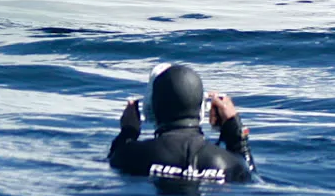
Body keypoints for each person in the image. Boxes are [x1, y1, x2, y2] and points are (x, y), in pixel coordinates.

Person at [108, 63, 257, 183]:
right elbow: (251, 176)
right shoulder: (228, 162)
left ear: (153, 108)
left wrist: (128, 131)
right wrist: (236, 135)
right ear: (201, 109)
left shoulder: (132, 154)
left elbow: (114, 161)